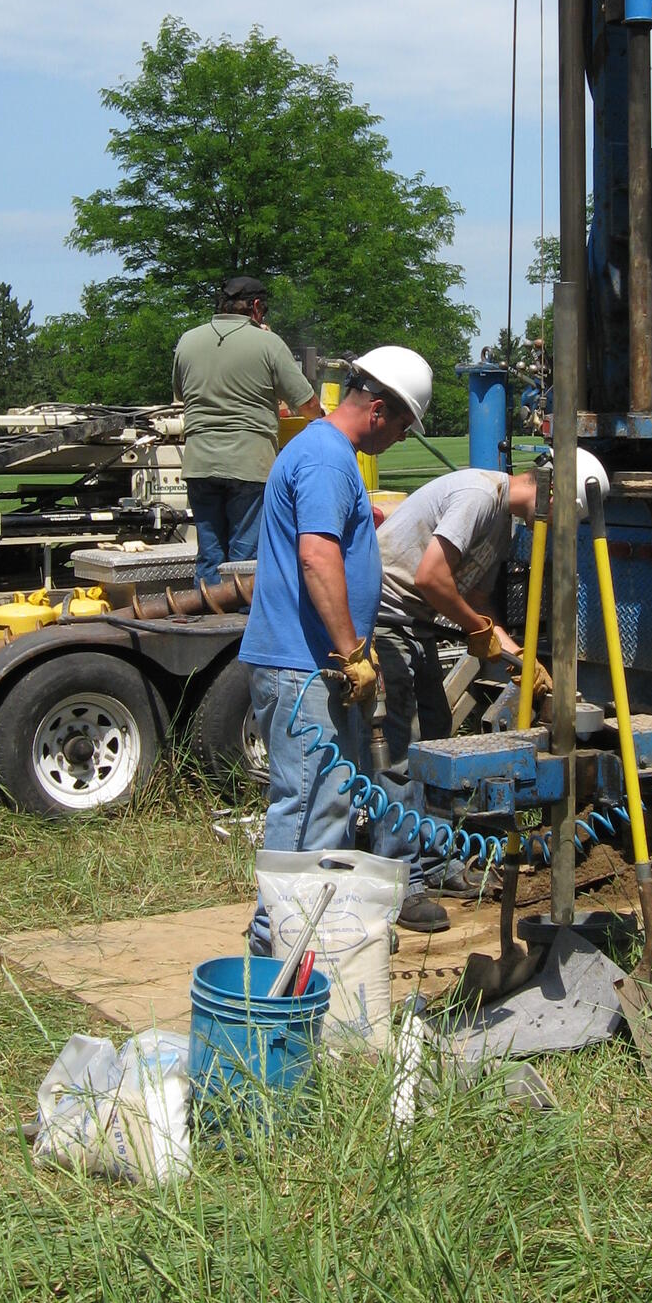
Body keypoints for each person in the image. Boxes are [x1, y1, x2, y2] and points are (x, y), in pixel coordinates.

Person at [240, 345, 434, 953]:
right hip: (307, 667)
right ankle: (278, 951)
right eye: (402, 426)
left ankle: (307, 938)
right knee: (309, 810)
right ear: (377, 409)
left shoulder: (327, 455)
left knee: (333, 801)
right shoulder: (326, 459)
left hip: (314, 665)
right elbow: (317, 555)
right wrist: (352, 651)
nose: (401, 439)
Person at [368, 466, 552, 931]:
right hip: (386, 617)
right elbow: (431, 578)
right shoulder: (479, 495)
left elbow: (474, 596)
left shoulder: (502, 521)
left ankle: (432, 862)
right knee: (403, 751)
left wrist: (515, 655)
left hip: (416, 624)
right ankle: (400, 880)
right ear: (547, 490)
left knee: (436, 739)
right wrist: (476, 627)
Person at [172, 276, 320, 587]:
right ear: (255, 307)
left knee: (210, 555)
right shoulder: (268, 343)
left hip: (199, 463)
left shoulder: (187, 341)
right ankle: (238, 631)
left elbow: (182, 395)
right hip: (249, 464)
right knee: (245, 560)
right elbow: (306, 404)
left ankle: (206, 623)